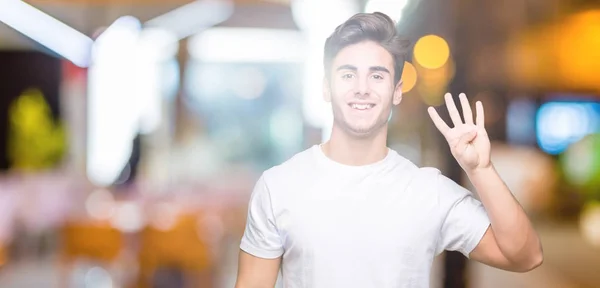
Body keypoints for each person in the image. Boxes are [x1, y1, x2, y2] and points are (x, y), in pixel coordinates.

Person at [234, 12, 543, 288]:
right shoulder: (279, 187)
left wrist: (481, 170)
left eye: (377, 75)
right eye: (347, 74)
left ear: (396, 91)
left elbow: (526, 256)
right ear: (326, 87)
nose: (362, 87)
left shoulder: (428, 191)